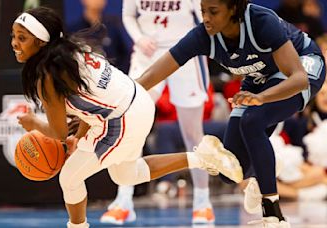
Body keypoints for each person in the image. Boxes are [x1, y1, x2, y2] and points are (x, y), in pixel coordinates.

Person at [11, 7, 243, 228]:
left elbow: (59, 134)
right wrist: (80, 138)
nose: (14, 43)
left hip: (122, 117)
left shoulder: (47, 76)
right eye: (14, 36)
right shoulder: (71, 52)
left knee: (70, 178)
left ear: (41, 42)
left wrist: (35, 124)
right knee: (125, 174)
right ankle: (202, 158)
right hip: (134, 103)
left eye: (22, 38)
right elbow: (91, 105)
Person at [136, 0, 326, 227]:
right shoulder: (203, 34)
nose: (206, 17)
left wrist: (262, 98)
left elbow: (298, 78)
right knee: (230, 170)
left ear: (233, 9)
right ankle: (263, 167)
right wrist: (126, 94)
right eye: (203, 11)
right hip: (261, 79)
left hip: (303, 66)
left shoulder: (261, 21)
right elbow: (158, 69)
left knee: (252, 119)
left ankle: (274, 214)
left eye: (213, 11)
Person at [100, 0, 214, 224]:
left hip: (187, 52)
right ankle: (123, 201)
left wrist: (202, 43)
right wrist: (139, 38)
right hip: (147, 53)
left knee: (192, 132)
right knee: (128, 125)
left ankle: (203, 202)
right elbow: (129, 15)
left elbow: (206, 17)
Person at [68, 0, 132, 73]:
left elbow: (124, 55)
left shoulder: (113, 26)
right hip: (85, 77)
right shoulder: (73, 30)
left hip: (111, 77)